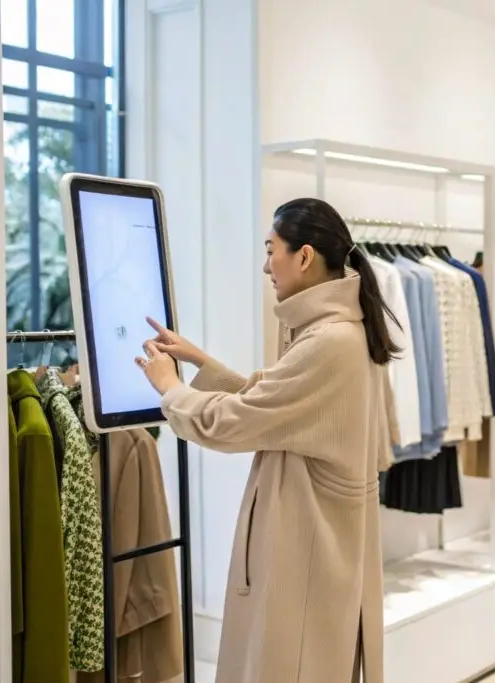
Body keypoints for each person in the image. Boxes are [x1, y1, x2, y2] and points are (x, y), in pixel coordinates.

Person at [135, 197, 400, 683]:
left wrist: (170, 388)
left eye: (271, 248)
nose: (265, 264)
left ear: (303, 257)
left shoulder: (328, 342)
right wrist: (201, 362)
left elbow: (236, 421)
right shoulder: (335, 331)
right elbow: (277, 405)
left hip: (306, 552)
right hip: (313, 544)